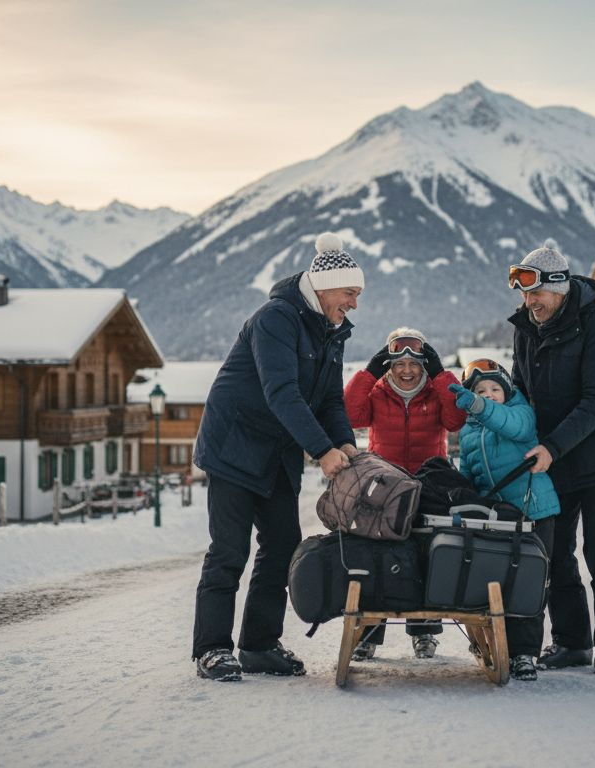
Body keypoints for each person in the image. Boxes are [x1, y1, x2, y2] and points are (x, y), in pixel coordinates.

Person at [191, 232, 364, 682]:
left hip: (277, 453)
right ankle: (211, 649)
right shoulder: (276, 318)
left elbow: (329, 398)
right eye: (350, 294)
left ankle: (259, 644)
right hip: (235, 447)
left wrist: (343, 441)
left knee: (282, 545)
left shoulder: (332, 331)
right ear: (327, 288)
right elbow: (281, 392)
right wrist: (321, 449)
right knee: (229, 551)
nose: (354, 304)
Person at [507, 240, 595, 674]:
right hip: (551, 462)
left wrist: (552, 446)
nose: (529, 302)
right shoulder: (525, 328)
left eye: (536, 293)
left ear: (559, 289)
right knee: (555, 554)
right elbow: (520, 392)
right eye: (524, 294)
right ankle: (572, 643)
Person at [343, 327, 465, 660]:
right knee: (377, 559)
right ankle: (367, 634)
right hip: (384, 487)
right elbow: (351, 414)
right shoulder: (378, 392)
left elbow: (456, 419)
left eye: (416, 363)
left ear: (426, 366)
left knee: (428, 555)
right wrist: (368, 372)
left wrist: (441, 376)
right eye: (399, 363)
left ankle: (424, 633)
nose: (408, 371)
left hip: (429, 486)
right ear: (388, 365)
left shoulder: (435, 392)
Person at [447, 359, 560, 681]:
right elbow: (471, 475)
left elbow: (512, 426)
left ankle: (525, 653)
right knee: (495, 580)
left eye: (495, 389)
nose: (489, 394)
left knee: (529, 582)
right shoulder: (469, 431)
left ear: (506, 391)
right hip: (498, 518)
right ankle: (495, 643)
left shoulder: (520, 412)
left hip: (534, 510)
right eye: (480, 390)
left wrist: (480, 406)